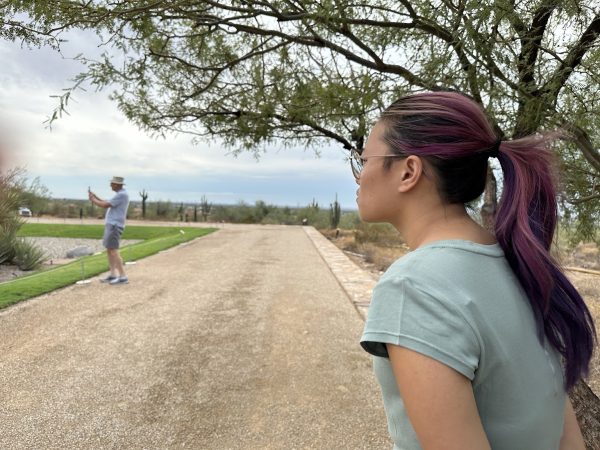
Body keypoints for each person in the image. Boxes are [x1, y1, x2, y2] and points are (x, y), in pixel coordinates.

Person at [353, 91, 595, 449]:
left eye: (364, 160)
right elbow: (566, 434)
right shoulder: (518, 266)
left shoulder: (413, 287)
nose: (358, 177)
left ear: (408, 171)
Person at [88, 176, 130, 285]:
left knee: (113, 250)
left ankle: (123, 276)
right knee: (110, 250)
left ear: (117, 184)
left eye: (112, 183)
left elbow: (105, 205)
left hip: (114, 225)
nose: (110, 185)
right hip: (112, 225)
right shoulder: (120, 194)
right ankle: (113, 274)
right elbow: (107, 202)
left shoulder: (122, 195)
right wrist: (96, 197)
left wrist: (93, 200)